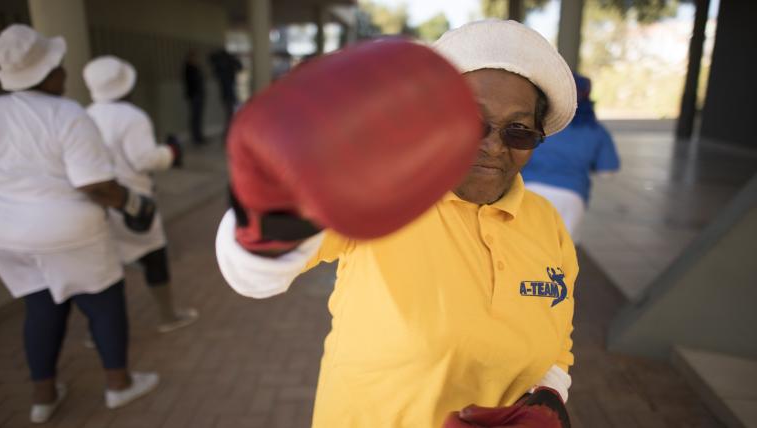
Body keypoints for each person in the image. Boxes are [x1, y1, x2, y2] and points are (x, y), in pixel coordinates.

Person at [216, 19, 578, 427]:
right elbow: (251, 279)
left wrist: (548, 401)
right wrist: (277, 206)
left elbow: (557, 348)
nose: (493, 146)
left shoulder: (548, 224)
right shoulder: (383, 194)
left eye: (519, 131)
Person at [0, 25, 159, 423]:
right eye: (59, 65)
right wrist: (136, 204)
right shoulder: (66, 113)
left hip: (8, 236)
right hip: (70, 231)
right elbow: (95, 184)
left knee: (40, 308)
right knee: (104, 304)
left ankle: (43, 397)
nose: (65, 71)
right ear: (48, 72)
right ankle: (119, 385)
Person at [84, 55, 199, 333]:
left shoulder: (86, 114)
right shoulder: (132, 116)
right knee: (154, 256)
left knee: (106, 268)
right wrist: (169, 153)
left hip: (99, 201)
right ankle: (167, 316)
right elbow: (144, 160)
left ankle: (96, 331)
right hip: (133, 200)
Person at [522, 73, 620, 243]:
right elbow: (607, 172)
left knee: (524, 246)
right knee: (561, 254)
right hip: (571, 198)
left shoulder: (540, 122)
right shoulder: (596, 130)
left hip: (527, 191)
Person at [209, 48, 241, 133]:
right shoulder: (226, 64)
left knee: (230, 114)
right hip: (228, 93)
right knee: (230, 114)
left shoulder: (220, 66)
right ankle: (228, 133)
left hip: (226, 92)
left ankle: (228, 133)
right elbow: (239, 66)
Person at [183, 49, 205, 145]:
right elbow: (191, 83)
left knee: (198, 116)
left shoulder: (195, 68)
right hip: (194, 95)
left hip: (199, 94)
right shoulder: (188, 69)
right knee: (195, 117)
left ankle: (199, 135)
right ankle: (196, 137)